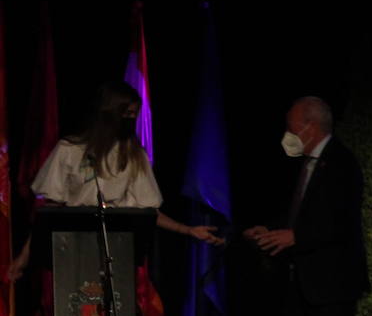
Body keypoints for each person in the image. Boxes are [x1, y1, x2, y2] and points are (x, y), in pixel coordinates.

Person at [244, 97, 367, 316]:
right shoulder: (306, 165)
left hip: (332, 281)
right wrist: (272, 231)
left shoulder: (342, 163)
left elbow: (341, 223)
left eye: (291, 126)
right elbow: (301, 214)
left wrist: (296, 237)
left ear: (309, 127)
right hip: (304, 278)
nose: (287, 134)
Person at [9, 80, 223, 280]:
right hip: (73, 248)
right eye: (127, 113)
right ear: (109, 113)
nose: (131, 120)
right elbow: (49, 210)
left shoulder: (134, 155)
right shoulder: (70, 150)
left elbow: (147, 210)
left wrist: (187, 230)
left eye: (134, 115)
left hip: (117, 249)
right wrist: (25, 257)